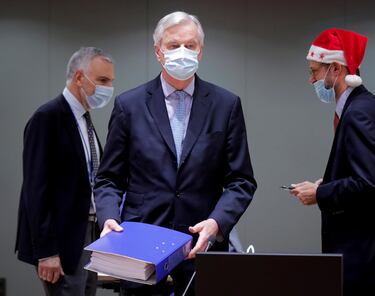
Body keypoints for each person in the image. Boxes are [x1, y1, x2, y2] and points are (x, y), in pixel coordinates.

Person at [94, 11, 257, 296]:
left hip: (201, 247)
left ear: (201, 51)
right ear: (158, 52)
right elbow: (108, 178)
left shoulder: (226, 104)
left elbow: (241, 181)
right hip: (141, 248)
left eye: (190, 45)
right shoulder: (129, 105)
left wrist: (217, 223)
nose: (182, 52)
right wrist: (108, 216)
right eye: (173, 45)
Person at [289, 28, 375, 296]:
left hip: (366, 263)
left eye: (314, 71)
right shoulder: (370, 107)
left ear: (336, 69)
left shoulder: (359, 114)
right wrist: (329, 183)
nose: (311, 79)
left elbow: (370, 183)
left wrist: (320, 193)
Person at [15, 47, 115, 296]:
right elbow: (35, 191)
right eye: (103, 80)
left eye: (111, 81)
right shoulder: (47, 117)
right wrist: (47, 252)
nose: (108, 88)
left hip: (88, 232)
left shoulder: (84, 118)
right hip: (62, 240)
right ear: (80, 77)